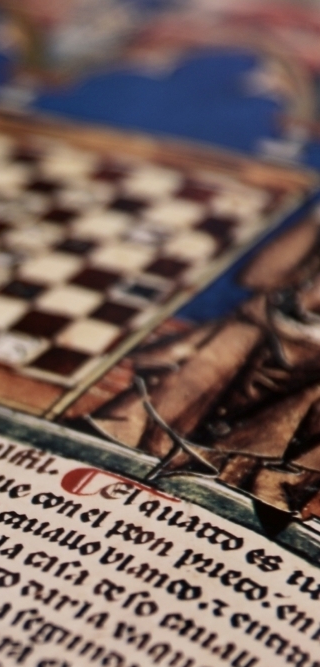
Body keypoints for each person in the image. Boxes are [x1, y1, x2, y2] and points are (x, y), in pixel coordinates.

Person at [82, 211, 320, 522]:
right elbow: (257, 278)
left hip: (305, 373)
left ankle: (247, 487)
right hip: (261, 334)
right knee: (231, 340)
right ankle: (133, 445)